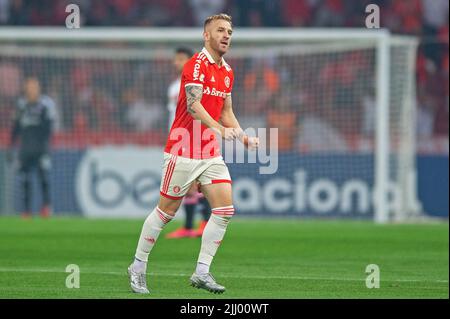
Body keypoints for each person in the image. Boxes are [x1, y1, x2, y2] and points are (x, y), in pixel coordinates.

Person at [128, 13, 259, 294]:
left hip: (210, 152)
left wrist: (243, 136)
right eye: (220, 30)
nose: (226, 35)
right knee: (166, 212)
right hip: (183, 148)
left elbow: (227, 111)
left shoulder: (227, 71)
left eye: (230, 32)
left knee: (224, 210)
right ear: (206, 35)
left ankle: (202, 271)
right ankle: (138, 266)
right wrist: (219, 130)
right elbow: (193, 106)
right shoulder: (195, 65)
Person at [165, 47, 211, 239]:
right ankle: (189, 226)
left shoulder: (197, 83)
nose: (177, 63)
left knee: (200, 182)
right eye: (175, 59)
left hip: (196, 137)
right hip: (178, 139)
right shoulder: (173, 87)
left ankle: (205, 223)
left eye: (181, 59)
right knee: (187, 185)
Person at [8, 77, 56, 218]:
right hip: (25, 149)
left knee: (44, 178)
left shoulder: (46, 105)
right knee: (25, 180)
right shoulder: (21, 105)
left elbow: (49, 127)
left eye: (34, 86)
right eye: (29, 87)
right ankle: (27, 210)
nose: (32, 89)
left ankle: (46, 207)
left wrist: (46, 144)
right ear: (25, 88)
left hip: (41, 148)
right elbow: (15, 127)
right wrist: (11, 146)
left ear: (39, 88)